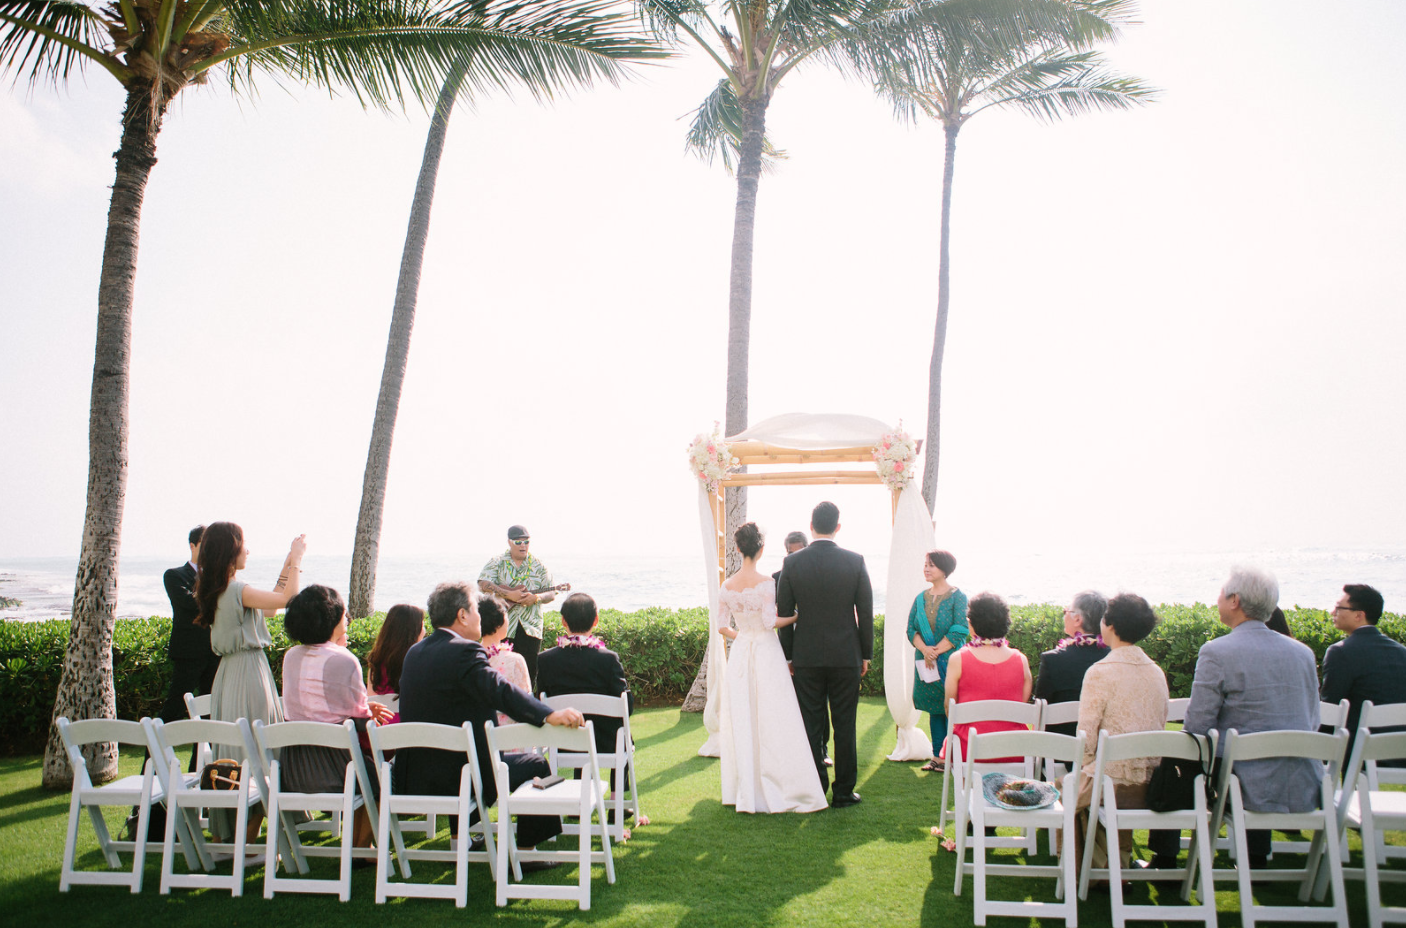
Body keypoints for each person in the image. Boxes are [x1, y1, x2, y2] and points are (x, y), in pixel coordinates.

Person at [395, 581, 584, 857]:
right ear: (462, 615)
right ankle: (526, 852)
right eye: (475, 611)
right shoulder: (465, 651)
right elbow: (501, 691)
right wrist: (550, 715)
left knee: (462, 756)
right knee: (536, 764)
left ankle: (461, 840)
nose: (480, 618)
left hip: (415, 777)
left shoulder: (415, 653)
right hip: (463, 779)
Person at [1179, 566, 1321, 869]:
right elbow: (1312, 720)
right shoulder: (1303, 653)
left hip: (1244, 789)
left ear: (1235, 600)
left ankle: (1166, 856)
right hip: (1304, 784)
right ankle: (1256, 857)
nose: (1216, 599)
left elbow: (1197, 726)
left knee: (1181, 760)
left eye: (1220, 593)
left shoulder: (1217, 651)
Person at [195, 522, 306, 839]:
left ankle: (228, 835)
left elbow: (270, 605)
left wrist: (287, 564)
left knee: (236, 751)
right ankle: (246, 837)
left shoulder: (219, 589)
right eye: (243, 543)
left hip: (229, 675)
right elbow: (287, 600)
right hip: (249, 675)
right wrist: (297, 559)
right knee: (257, 752)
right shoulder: (236, 590)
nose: (247, 549)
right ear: (231, 549)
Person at [717, 524, 827, 813]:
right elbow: (769, 622)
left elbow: (721, 626)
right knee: (776, 714)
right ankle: (781, 782)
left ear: (739, 548)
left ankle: (746, 787)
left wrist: (742, 637)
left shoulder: (726, 586)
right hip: (766, 650)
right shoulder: (767, 582)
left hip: (742, 651)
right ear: (761, 549)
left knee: (745, 714)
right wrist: (794, 618)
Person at [776, 501, 873, 808]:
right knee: (845, 724)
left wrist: (789, 656)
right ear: (838, 527)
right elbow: (866, 613)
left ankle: (816, 787)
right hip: (847, 655)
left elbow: (784, 615)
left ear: (811, 525)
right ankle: (844, 791)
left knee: (811, 724)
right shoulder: (855, 561)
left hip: (806, 657)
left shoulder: (792, 564)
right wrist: (866, 654)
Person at [281, 585, 391, 846]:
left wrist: (362, 712)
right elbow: (356, 717)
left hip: (294, 766)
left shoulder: (291, 656)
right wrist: (367, 712)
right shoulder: (344, 659)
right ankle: (359, 848)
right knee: (379, 777)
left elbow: (314, 708)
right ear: (331, 617)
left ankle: (357, 847)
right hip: (338, 767)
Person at [1072, 593, 1169, 875]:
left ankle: (1090, 873)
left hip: (1112, 787)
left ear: (1110, 624)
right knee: (1088, 778)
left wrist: (1085, 765)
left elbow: (1086, 739)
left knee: (1069, 788)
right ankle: (1117, 865)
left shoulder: (1100, 671)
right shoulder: (1156, 671)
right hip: (1153, 785)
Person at [537, 592, 633, 771]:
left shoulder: (545, 660)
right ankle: (616, 792)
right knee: (621, 730)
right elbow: (627, 706)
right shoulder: (608, 659)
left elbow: (541, 701)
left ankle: (582, 787)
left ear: (564, 621)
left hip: (563, 743)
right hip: (606, 744)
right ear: (596, 620)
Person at [943, 592, 1032, 764]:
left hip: (970, 748)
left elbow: (950, 708)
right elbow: (1021, 701)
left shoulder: (958, 659)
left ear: (972, 623)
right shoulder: (1020, 659)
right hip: (1015, 748)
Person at [1321, 583, 1406, 760]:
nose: (1332, 612)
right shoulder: (1401, 652)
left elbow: (1330, 711)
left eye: (1338, 608)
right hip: (1399, 750)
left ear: (1359, 615)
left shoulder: (1341, 652)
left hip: (1358, 753)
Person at [478, 525, 565, 689]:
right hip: (502, 626)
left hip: (530, 627)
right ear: (509, 542)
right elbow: (482, 584)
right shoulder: (497, 562)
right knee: (498, 672)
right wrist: (507, 594)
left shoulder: (539, 566)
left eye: (526, 542)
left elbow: (552, 592)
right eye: (518, 542)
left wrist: (537, 597)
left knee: (528, 674)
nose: (523, 545)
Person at [907, 550, 969, 772]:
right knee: (935, 708)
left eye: (931, 565)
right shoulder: (920, 598)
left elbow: (960, 630)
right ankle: (937, 758)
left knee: (951, 707)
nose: (926, 568)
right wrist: (925, 650)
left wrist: (935, 651)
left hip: (949, 661)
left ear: (944, 569)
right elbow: (911, 629)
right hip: (925, 660)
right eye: (925, 564)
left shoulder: (958, 597)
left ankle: (953, 757)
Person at [159, 525, 220, 733]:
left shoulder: (218, 580)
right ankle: (152, 763)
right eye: (205, 545)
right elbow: (188, 604)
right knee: (173, 709)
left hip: (214, 652)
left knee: (210, 713)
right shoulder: (174, 575)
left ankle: (204, 764)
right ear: (192, 545)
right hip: (188, 654)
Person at [1033, 591, 1110, 737]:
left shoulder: (1053, 660)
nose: (1064, 615)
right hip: (1101, 750)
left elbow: (1040, 710)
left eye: (1066, 611)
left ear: (1077, 620)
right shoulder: (1113, 657)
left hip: (1058, 751)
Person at [478, 595, 532, 732]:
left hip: (478, 735)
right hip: (511, 739)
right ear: (499, 623)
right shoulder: (515, 660)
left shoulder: (470, 657)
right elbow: (527, 703)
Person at [366, 603, 426, 726]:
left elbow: (371, 700)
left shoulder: (376, 662)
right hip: (414, 732)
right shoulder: (420, 661)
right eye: (423, 625)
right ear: (415, 630)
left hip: (384, 734)